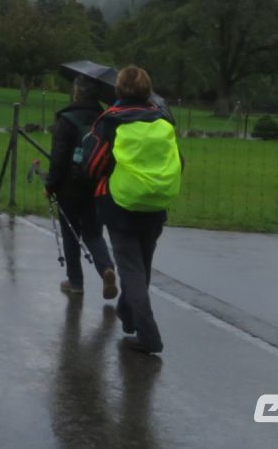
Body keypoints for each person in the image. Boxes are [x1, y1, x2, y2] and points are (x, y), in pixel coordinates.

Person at [84, 65, 183, 355]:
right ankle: (128, 316)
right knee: (141, 266)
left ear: (118, 90)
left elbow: (92, 166)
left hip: (122, 206)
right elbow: (180, 161)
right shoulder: (162, 121)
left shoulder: (112, 122)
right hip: (156, 204)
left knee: (131, 272)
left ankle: (149, 336)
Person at [45, 75, 117, 298]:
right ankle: (106, 268)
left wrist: (50, 184)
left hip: (68, 188)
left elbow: (58, 157)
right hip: (97, 186)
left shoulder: (66, 118)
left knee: (71, 234)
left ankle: (75, 282)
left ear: (78, 92)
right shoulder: (105, 119)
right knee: (94, 233)